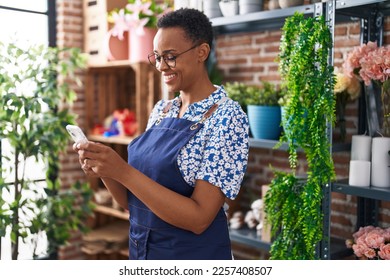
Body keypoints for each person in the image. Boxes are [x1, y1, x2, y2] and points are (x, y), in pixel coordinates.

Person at [74, 8, 249, 260]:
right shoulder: (161, 111)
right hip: (144, 253)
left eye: (170, 56)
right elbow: (134, 203)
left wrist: (122, 171)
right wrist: (106, 171)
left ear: (202, 52)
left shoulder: (227, 118)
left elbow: (199, 219)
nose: (161, 66)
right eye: (156, 57)